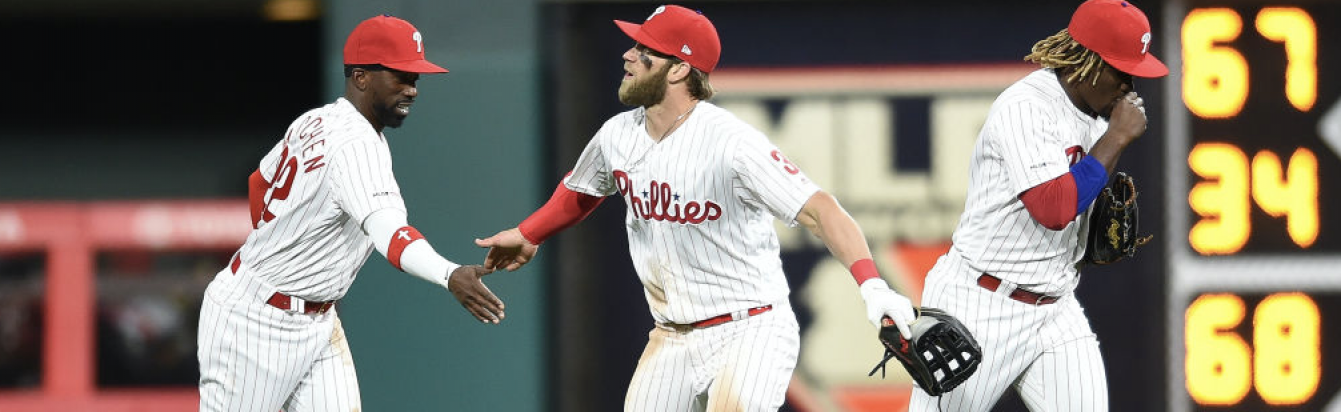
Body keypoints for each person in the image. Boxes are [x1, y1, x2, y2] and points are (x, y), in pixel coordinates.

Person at [473, 4, 917, 411]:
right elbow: (583, 189)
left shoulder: (731, 143)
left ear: (679, 68)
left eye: (644, 49)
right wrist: (530, 232)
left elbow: (821, 210)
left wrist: (873, 287)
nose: (628, 56)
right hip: (671, 335)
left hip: (752, 329)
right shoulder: (617, 134)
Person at [196, 15, 504, 412]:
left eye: (416, 79)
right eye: (400, 76)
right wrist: (448, 274)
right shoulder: (355, 145)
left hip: (317, 322)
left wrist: (287, 244)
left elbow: (260, 182)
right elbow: (392, 236)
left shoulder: (317, 118)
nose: (412, 89)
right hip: (255, 323)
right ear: (361, 77)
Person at [908, 0, 1167, 410]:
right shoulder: (1027, 107)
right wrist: (1115, 139)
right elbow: (1052, 208)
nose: (1130, 86)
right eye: (1122, 70)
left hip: (1055, 307)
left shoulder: (1099, 115)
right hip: (980, 303)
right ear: (1087, 62)